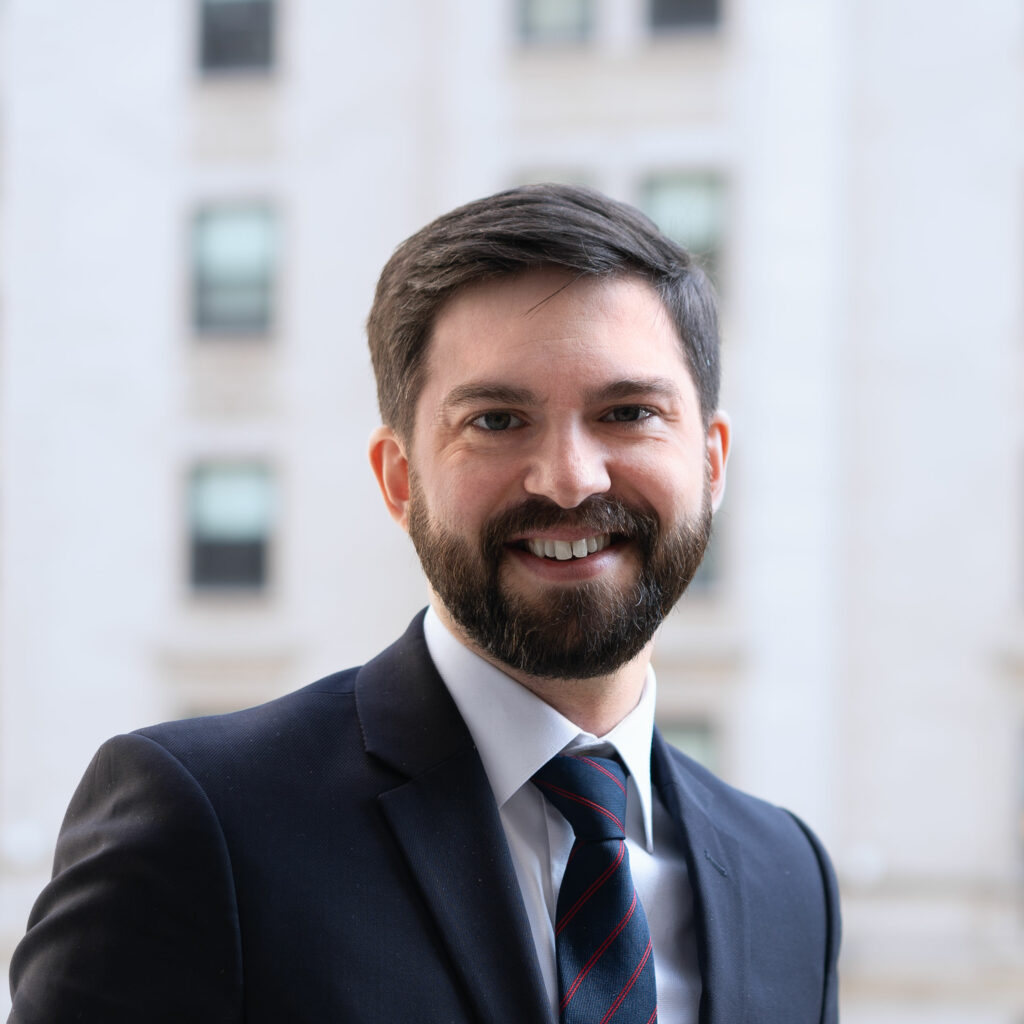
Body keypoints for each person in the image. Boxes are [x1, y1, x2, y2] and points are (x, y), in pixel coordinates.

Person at [7, 184, 840, 1023]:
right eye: (497, 420)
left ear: (711, 461)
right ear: (399, 478)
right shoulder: (203, 824)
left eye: (628, 413)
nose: (570, 478)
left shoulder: (789, 881)